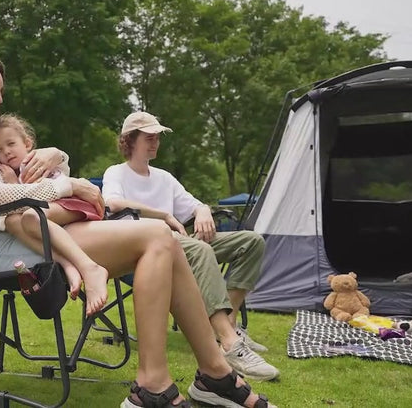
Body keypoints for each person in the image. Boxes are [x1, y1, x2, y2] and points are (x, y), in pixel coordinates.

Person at [0, 51, 276, 407]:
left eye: (0, 89)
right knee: (156, 236)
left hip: (33, 227)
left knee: (162, 237)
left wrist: (56, 155)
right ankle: (167, 385)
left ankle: (210, 374)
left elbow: (33, 168)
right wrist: (70, 186)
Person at [101, 111, 279, 381]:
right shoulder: (117, 173)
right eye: (148, 138)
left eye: (157, 138)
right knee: (200, 249)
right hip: (145, 253)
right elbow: (113, 205)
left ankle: (228, 323)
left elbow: (193, 205)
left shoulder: (164, 178)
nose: (155, 143)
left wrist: (204, 210)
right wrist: (163, 216)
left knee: (251, 242)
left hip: (181, 244)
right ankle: (230, 344)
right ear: (130, 141)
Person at [0, 113, 108, 316]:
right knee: (12, 221)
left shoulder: (34, 163)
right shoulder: (19, 171)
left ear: (27, 143)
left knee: (32, 217)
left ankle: (90, 268)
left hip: (75, 203)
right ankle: (68, 265)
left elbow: (35, 196)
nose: (6, 152)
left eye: (10, 144)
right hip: (60, 210)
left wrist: (13, 184)